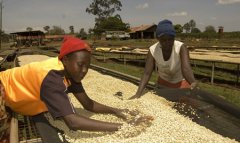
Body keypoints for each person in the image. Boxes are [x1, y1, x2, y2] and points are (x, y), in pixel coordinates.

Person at [0, 36, 151, 143]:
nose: (84, 70)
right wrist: (124, 127)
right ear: (65, 59)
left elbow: (88, 104)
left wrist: (118, 111)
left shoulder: (72, 73)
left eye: (88, 66)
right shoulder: (52, 77)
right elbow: (73, 122)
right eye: (80, 64)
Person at [130, 19, 197, 100]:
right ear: (158, 38)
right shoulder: (153, 50)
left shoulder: (181, 47)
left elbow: (186, 68)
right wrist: (138, 94)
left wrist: (193, 82)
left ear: (174, 38)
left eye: (170, 39)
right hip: (163, 84)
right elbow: (147, 73)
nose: (167, 43)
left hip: (181, 84)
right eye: (164, 40)